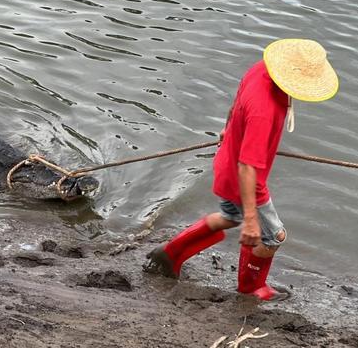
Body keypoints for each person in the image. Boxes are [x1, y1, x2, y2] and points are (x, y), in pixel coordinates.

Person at [143, 39, 339, 300]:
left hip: (227, 163)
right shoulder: (264, 111)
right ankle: (252, 288)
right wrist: (250, 219)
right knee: (274, 236)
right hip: (245, 179)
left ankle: (170, 253)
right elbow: (248, 167)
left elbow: (236, 105)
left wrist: (228, 128)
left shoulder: (260, 69)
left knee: (229, 216)